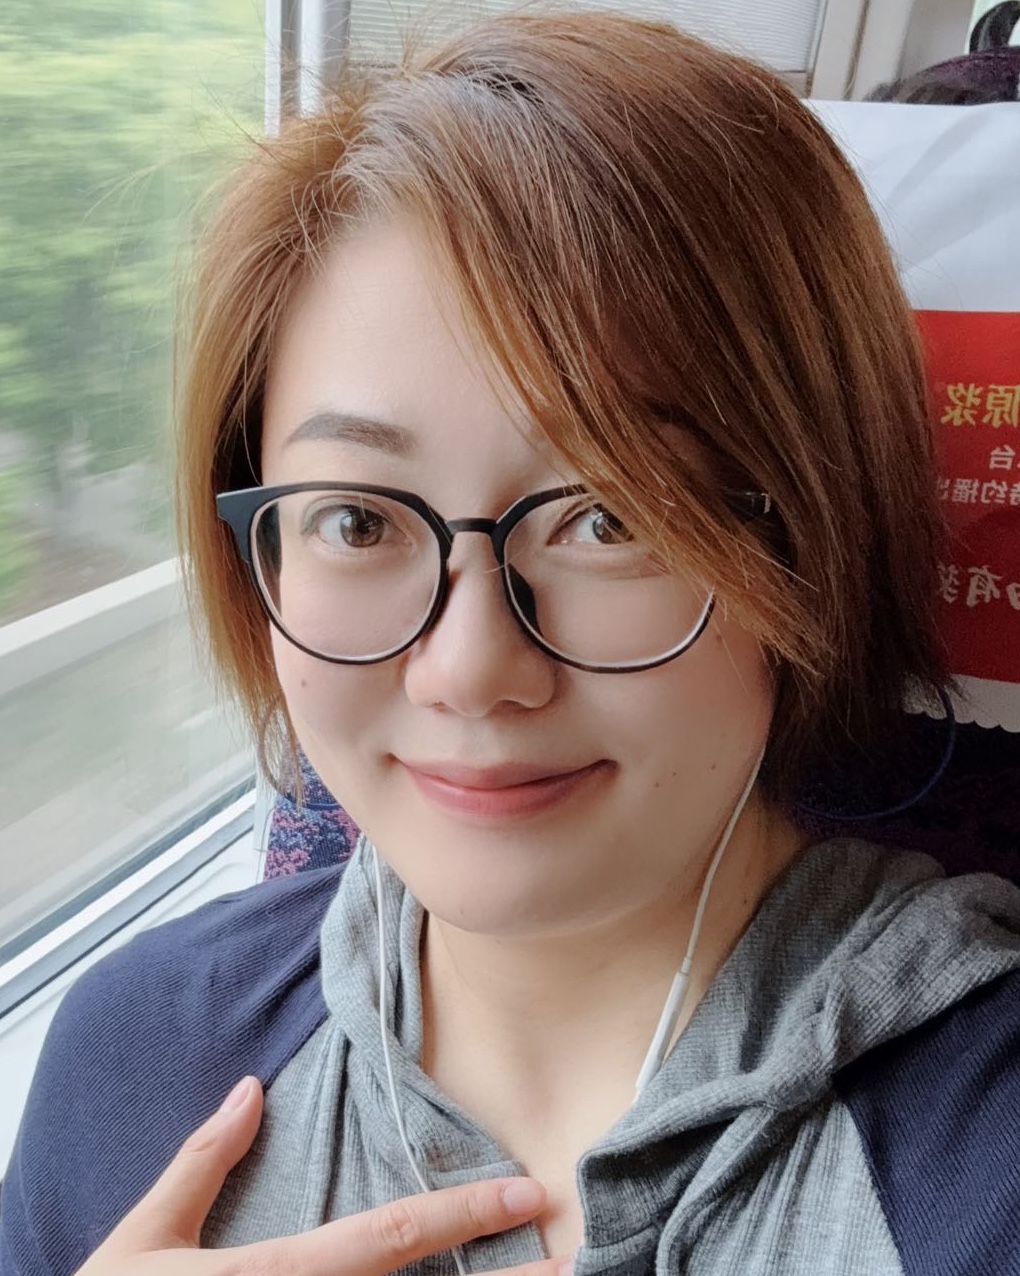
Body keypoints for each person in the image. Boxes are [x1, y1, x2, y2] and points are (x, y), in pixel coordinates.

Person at [4, 10, 1020, 1275]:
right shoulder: (129, 1064)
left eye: (613, 517)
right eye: (358, 520)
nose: (470, 669)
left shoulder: (984, 1162)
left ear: (820, 545)